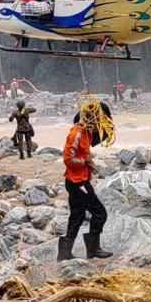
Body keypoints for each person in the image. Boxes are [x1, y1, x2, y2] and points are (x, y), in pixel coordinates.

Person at [58, 97, 115, 261]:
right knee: (100, 213)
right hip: (77, 183)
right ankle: (93, 248)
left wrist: (108, 125)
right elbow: (68, 160)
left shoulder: (87, 133)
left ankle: (64, 253)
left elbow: (101, 137)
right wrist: (86, 161)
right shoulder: (76, 134)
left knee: (77, 215)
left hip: (78, 180)